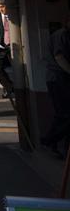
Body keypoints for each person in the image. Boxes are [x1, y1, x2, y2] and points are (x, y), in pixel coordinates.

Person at [41, 16, 70, 157]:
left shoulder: (60, 34)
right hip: (58, 78)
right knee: (65, 113)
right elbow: (59, 57)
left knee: (63, 113)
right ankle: (49, 141)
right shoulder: (62, 35)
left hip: (57, 78)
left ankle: (55, 144)